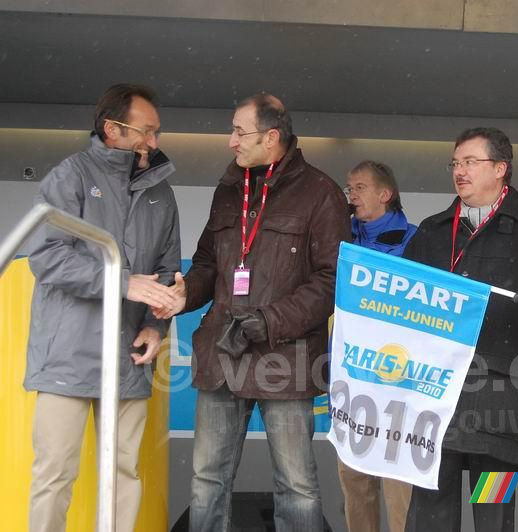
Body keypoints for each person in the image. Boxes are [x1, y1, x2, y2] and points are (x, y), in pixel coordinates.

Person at [154, 93, 350, 532]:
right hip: (222, 354)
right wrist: (186, 294)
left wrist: (268, 321)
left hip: (286, 357)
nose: (231, 142)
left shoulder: (321, 193)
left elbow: (331, 279)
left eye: (239, 131)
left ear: (272, 136)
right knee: (207, 482)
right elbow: (207, 263)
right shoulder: (229, 189)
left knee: (296, 486)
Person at [402, 127, 518, 531]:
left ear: (501, 168)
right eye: (455, 163)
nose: (459, 171)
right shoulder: (431, 231)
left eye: (471, 162)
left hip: (502, 399)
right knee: (430, 515)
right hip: (435, 397)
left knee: (494, 516)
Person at [24, 83, 181, 532]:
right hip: (67, 354)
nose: (153, 142)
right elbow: (46, 255)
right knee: (54, 475)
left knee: (124, 473)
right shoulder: (70, 176)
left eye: (156, 132)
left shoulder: (160, 192)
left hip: (128, 355)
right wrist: (121, 281)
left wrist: (156, 327)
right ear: (112, 129)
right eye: (145, 132)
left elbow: (167, 271)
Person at [338, 160, 417, 532]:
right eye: (348, 188)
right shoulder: (337, 236)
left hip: (401, 381)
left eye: (359, 188)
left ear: (385, 195)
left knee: (399, 485)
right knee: (355, 483)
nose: (350, 195)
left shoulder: (418, 240)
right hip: (352, 379)